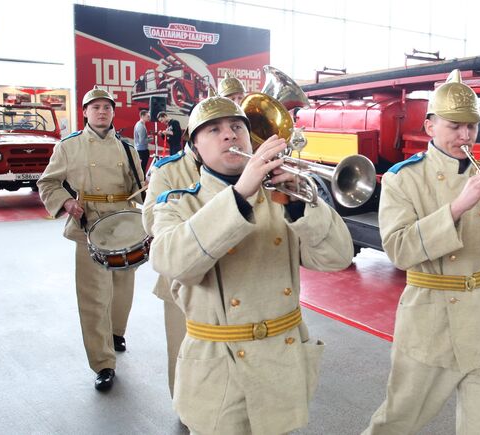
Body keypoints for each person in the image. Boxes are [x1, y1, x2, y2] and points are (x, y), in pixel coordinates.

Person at [150, 95, 353, 433]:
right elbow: (175, 263)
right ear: (195, 149)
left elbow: (337, 257)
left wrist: (300, 206)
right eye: (214, 130)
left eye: (236, 127)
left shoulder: (283, 196)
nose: (229, 135)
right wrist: (241, 193)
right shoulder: (177, 203)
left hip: (281, 362)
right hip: (220, 370)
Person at [363, 72, 480, 434]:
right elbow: (399, 250)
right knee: (398, 420)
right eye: (455, 126)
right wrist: (458, 207)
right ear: (429, 126)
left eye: (472, 127)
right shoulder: (402, 178)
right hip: (430, 320)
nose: (465, 136)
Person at [37, 88, 145, 392]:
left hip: (123, 223)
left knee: (123, 287)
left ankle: (115, 333)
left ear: (112, 112)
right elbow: (48, 182)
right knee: (94, 296)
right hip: (89, 224)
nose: (101, 112)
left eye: (107, 107)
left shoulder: (127, 148)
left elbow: (141, 187)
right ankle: (103, 363)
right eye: (95, 107)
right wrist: (67, 204)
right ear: (85, 112)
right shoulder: (68, 147)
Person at [142, 139, 200, 399]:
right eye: (214, 128)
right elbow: (150, 221)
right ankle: (184, 406)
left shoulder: (242, 166)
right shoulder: (167, 170)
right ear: (194, 137)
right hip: (181, 279)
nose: (228, 135)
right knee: (182, 350)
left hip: (231, 276)